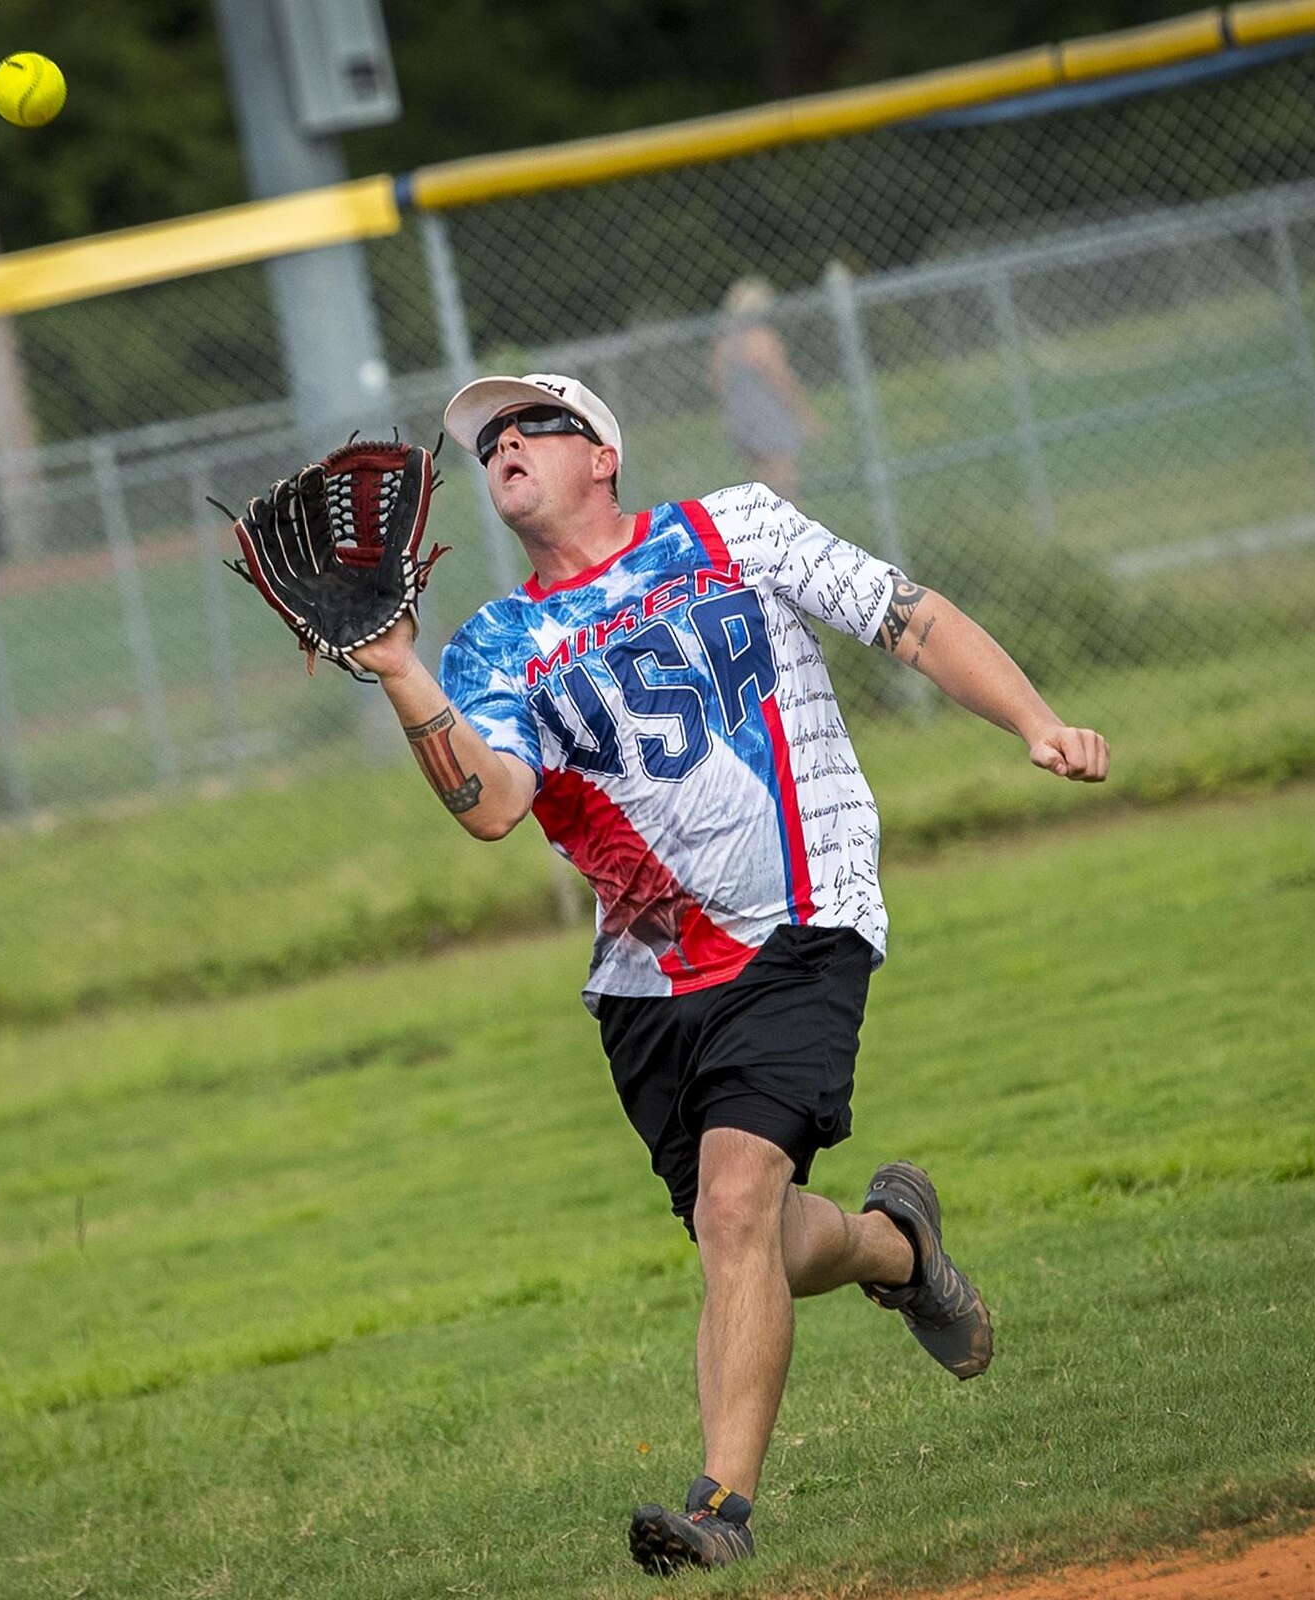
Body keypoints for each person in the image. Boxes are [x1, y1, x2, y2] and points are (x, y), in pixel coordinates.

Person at [346, 372, 1109, 1575]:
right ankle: (894, 1247)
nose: (499, 444)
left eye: (525, 424)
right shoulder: (494, 643)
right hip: (647, 978)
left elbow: (901, 614)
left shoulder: (729, 529)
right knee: (739, 1234)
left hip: (802, 917)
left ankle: (720, 1511)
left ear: (600, 453)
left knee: (738, 1204)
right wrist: (399, 670)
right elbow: (492, 808)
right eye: (483, 439)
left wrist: (1032, 720)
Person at [708, 277, 822, 501]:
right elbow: (782, 380)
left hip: (741, 418)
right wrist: (805, 416)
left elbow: (717, 382)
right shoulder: (762, 338)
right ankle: (789, 530)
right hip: (770, 416)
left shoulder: (724, 342)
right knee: (785, 484)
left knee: (758, 487)